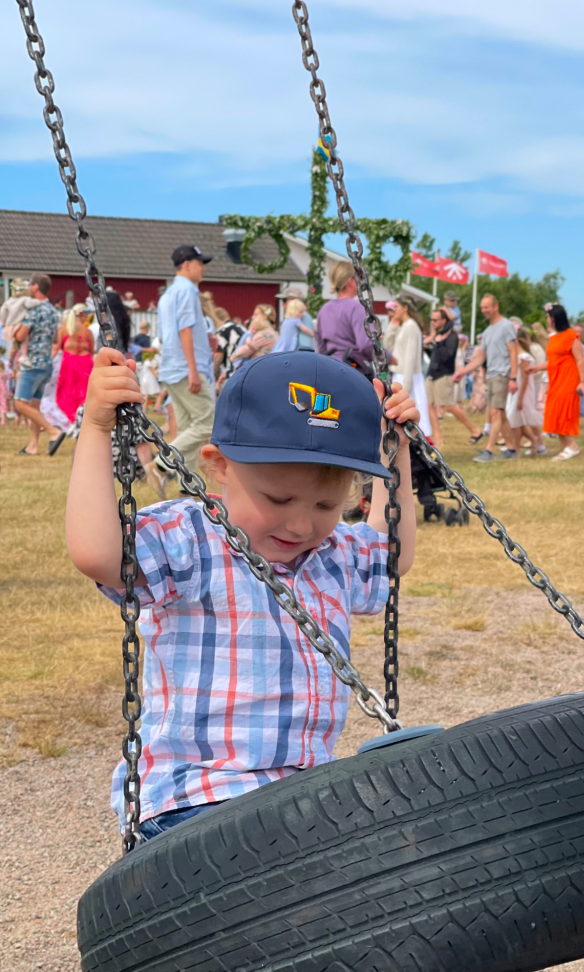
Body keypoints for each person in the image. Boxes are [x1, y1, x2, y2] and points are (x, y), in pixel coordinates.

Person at [65, 348, 418, 838]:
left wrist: (394, 451)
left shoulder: (332, 552)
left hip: (302, 796)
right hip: (197, 798)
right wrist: (99, 430)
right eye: (277, 498)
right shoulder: (191, 538)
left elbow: (390, 553)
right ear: (219, 466)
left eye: (325, 504)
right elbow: (97, 553)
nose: (300, 523)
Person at [155, 245, 215, 478]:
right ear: (188, 264)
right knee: (208, 424)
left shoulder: (166, 295)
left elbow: (162, 335)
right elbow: (185, 330)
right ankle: (160, 464)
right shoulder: (188, 291)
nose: (203, 269)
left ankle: (185, 486)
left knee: (189, 427)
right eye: (200, 263)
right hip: (187, 366)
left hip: (170, 366)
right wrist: (192, 369)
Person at [453, 294, 518, 462]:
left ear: (495, 306)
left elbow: (513, 352)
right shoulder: (488, 331)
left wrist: (513, 378)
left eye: (486, 307)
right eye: (482, 308)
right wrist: (462, 372)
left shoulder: (506, 326)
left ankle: (489, 451)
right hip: (491, 375)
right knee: (500, 414)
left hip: (502, 374)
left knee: (495, 412)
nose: (484, 311)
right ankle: (511, 449)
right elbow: (481, 357)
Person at [13, 273, 68, 457]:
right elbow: (55, 338)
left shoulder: (33, 310)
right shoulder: (53, 311)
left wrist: (15, 332)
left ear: (36, 287)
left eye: (30, 284)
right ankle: (33, 446)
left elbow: (21, 336)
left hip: (32, 364)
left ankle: (53, 431)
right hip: (46, 364)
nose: (29, 287)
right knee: (34, 407)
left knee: (20, 404)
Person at [527, 304, 584, 461]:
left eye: (547, 317)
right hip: (555, 379)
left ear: (553, 318)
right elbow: (553, 361)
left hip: (569, 378)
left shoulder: (571, 335)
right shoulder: (554, 337)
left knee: (564, 410)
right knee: (554, 411)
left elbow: (580, 359)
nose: (546, 320)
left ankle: (572, 445)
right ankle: (565, 446)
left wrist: (583, 382)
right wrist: (537, 368)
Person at [315, 261, 389, 374]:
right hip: (352, 370)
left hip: (329, 369)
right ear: (350, 281)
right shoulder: (356, 307)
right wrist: (389, 357)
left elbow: (321, 347)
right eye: (358, 277)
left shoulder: (324, 309)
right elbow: (367, 344)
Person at [423, 308, 477, 447]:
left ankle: (474, 430)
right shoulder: (437, 335)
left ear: (443, 320)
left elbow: (448, 355)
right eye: (432, 320)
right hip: (431, 374)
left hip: (444, 375)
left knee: (449, 406)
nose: (432, 322)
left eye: (435, 320)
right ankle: (437, 437)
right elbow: (433, 355)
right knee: (429, 405)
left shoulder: (452, 336)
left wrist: (439, 342)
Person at [389, 295, 431, 437]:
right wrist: (392, 326)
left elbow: (410, 357)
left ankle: (421, 445)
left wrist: (406, 386)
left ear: (405, 308)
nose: (394, 310)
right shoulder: (403, 327)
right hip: (399, 374)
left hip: (408, 375)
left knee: (414, 412)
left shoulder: (411, 327)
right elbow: (388, 348)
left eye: (397, 307)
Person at [507, 327, 545, 455]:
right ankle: (533, 440)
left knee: (516, 420)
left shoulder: (524, 357)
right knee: (515, 420)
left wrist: (521, 398)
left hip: (522, 391)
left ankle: (518, 448)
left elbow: (525, 379)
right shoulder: (516, 357)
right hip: (514, 391)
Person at [55, 304, 94, 423]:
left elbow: (57, 348)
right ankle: (82, 417)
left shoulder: (63, 329)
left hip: (69, 365)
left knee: (67, 392)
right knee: (84, 393)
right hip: (85, 365)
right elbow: (91, 350)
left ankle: (68, 417)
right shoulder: (87, 331)